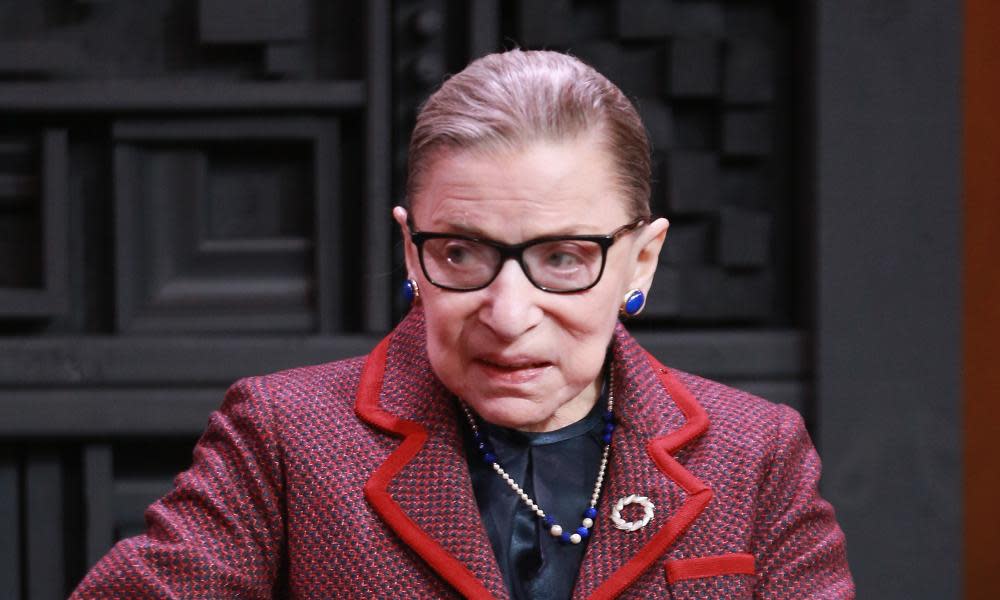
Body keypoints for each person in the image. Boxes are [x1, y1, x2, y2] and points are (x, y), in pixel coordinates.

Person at [71, 49, 853, 599]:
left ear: (640, 262)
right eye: (460, 253)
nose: (508, 316)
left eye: (564, 258)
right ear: (410, 253)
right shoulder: (284, 437)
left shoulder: (754, 454)